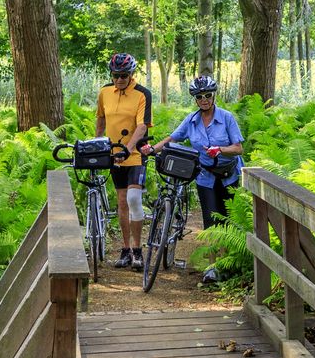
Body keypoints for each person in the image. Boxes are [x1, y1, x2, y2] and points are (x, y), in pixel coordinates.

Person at [147, 75, 243, 229]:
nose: (204, 99)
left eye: (208, 95)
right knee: (210, 217)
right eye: (199, 97)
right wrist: (152, 149)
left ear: (213, 96)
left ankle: (226, 252)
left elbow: (238, 148)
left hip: (228, 174)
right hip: (205, 175)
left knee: (227, 219)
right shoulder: (191, 120)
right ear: (195, 99)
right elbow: (172, 138)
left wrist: (220, 150)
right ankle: (213, 252)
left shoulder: (227, 117)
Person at [96, 53, 152, 270]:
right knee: (121, 202)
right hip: (113, 154)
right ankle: (126, 249)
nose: (120, 79)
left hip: (134, 153)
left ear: (131, 74)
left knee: (134, 199)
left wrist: (128, 149)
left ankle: (138, 250)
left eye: (124, 75)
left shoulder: (142, 94)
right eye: (116, 75)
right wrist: (98, 143)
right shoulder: (104, 92)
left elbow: (142, 126)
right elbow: (101, 118)